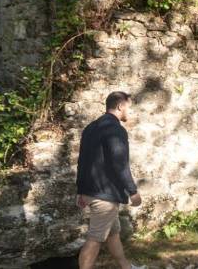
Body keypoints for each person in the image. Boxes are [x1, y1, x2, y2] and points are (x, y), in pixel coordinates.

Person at [75, 91, 145, 269]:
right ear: (120, 106)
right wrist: (133, 191)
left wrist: (80, 190)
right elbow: (119, 163)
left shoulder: (91, 127)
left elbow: (82, 161)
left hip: (93, 192)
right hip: (104, 197)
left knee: (113, 233)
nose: (130, 112)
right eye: (129, 107)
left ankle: (126, 267)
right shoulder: (115, 129)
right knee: (95, 239)